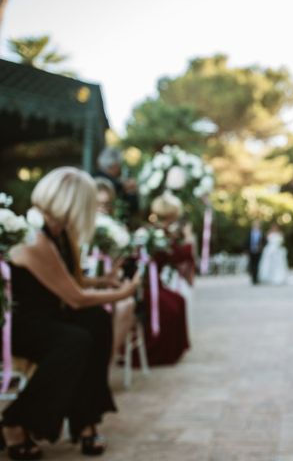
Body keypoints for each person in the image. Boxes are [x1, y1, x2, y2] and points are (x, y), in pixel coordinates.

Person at [5, 167, 139, 459]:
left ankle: (85, 421)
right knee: (75, 340)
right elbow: (75, 298)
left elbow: (66, 283)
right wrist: (126, 292)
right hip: (21, 324)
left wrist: (103, 282)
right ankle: (16, 422)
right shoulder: (35, 238)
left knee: (97, 321)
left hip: (48, 315)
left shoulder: (59, 233)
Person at [135, 192, 192, 366]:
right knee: (170, 307)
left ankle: (173, 351)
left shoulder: (162, 233)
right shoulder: (151, 233)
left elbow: (176, 256)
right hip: (144, 285)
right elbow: (179, 255)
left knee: (178, 300)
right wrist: (188, 238)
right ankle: (156, 352)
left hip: (155, 284)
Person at [95, 178, 137, 359]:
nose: (102, 208)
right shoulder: (76, 227)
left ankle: (106, 361)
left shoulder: (118, 229)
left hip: (111, 281)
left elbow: (126, 267)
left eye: (106, 204)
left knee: (125, 305)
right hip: (87, 283)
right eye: (97, 204)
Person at [94, 147, 139, 225]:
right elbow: (132, 209)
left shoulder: (92, 177)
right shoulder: (117, 185)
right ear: (115, 165)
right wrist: (131, 191)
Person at [246, 221, 265, 285]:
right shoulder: (250, 233)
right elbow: (247, 242)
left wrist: (261, 247)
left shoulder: (261, 233)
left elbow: (264, 242)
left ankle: (256, 278)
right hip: (251, 251)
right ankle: (253, 278)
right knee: (252, 265)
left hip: (258, 251)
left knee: (257, 265)